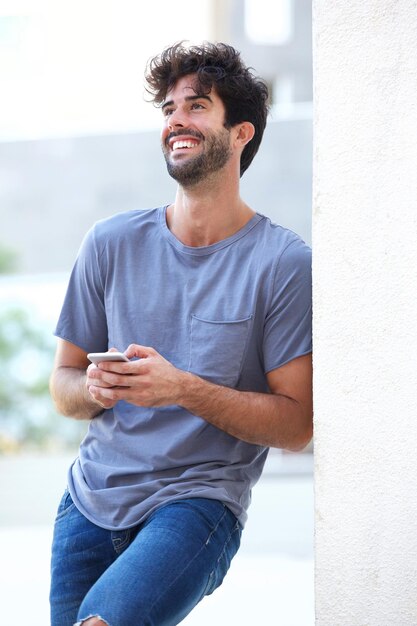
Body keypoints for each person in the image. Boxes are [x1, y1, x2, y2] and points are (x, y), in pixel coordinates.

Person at [49, 41, 313, 626]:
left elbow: (298, 424)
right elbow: (62, 385)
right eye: (169, 109)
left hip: (198, 505)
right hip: (88, 503)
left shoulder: (283, 262)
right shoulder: (109, 243)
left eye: (196, 106)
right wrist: (95, 388)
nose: (176, 121)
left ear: (240, 133)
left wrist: (182, 389)